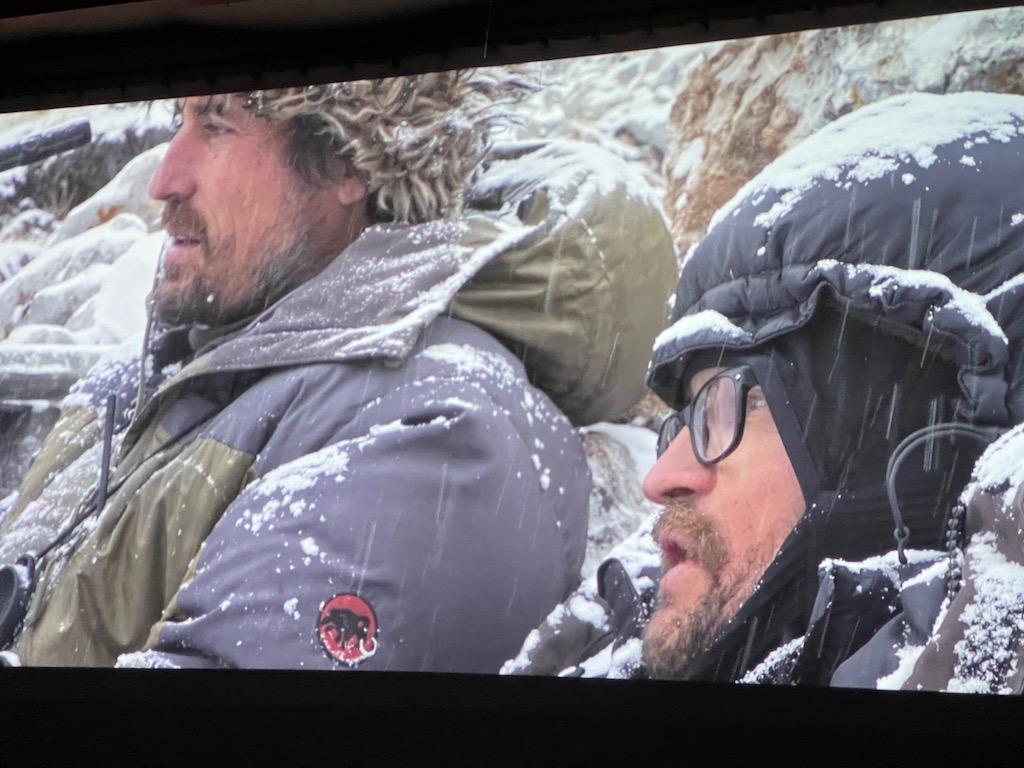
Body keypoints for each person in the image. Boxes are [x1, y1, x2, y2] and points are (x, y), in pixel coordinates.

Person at [0, 72, 677, 670]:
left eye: (216, 124)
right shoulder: (165, 372)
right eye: (180, 121)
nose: (163, 180)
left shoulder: (434, 432)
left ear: (348, 160)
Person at [506, 91, 1024, 693]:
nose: (659, 480)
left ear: (909, 437)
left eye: (729, 404)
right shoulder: (608, 635)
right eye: (682, 423)